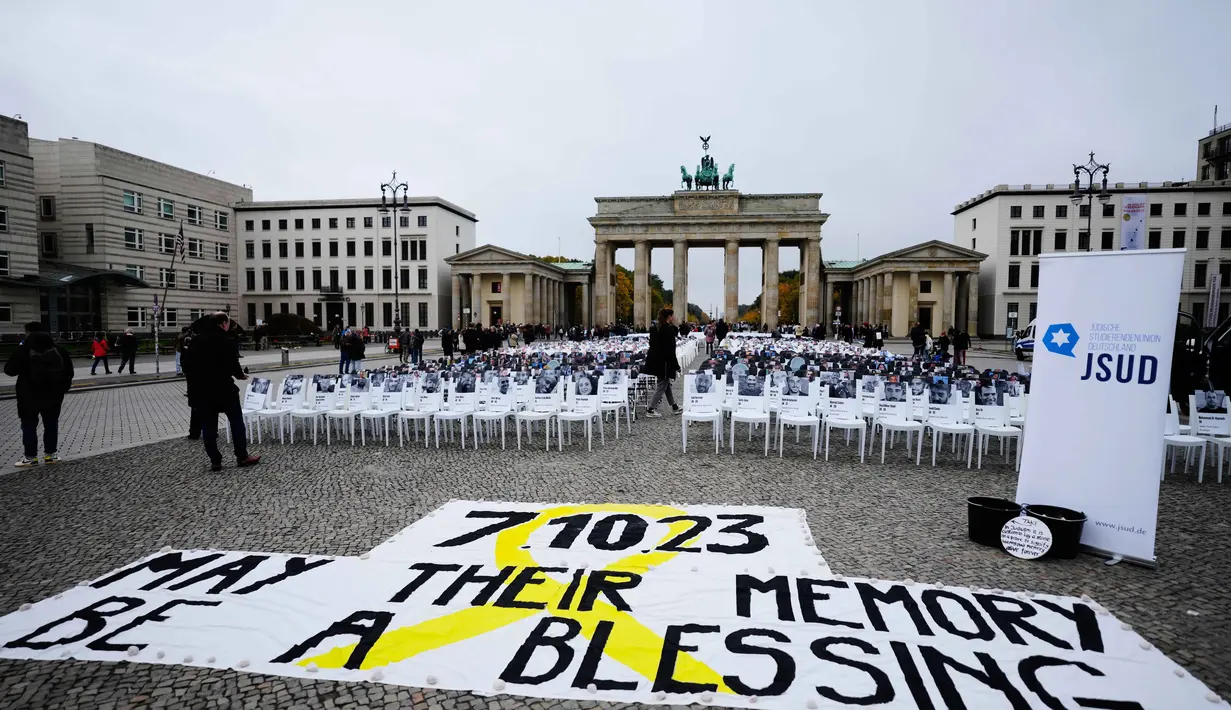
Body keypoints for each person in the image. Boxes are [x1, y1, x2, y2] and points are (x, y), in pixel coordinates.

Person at [182, 312, 260, 472]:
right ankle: (242, 456)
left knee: (208, 426)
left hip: (203, 390)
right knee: (236, 421)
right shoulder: (226, 340)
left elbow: (187, 364)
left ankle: (215, 460)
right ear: (224, 323)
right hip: (224, 388)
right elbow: (232, 362)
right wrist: (240, 375)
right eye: (228, 323)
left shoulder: (196, 340)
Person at [5, 324, 74, 467]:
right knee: (51, 424)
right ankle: (51, 455)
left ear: (29, 333)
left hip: (28, 396)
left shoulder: (23, 350)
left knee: (29, 426)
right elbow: (69, 372)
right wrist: (62, 388)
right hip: (54, 396)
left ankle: (31, 457)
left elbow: (9, 370)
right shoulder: (60, 350)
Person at [644, 307, 682, 417]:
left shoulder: (655, 328)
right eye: (673, 316)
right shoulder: (668, 330)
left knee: (666, 384)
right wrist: (676, 366)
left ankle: (674, 406)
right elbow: (670, 351)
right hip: (664, 362)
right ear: (669, 317)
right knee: (662, 385)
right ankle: (650, 409)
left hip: (656, 360)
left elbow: (652, 344)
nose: (674, 318)